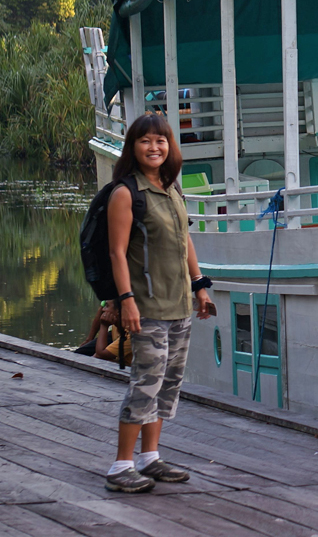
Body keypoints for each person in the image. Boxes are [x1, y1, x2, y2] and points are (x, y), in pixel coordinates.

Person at [104, 113, 213, 493]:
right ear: (133, 147)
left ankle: (150, 458)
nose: (154, 147)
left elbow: (185, 242)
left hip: (180, 304)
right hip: (147, 306)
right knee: (144, 384)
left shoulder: (171, 189)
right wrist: (126, 300)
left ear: (170, 147)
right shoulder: (126, 193)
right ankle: (121, 465)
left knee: (168, 384)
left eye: (161, 141)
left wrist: (200, 285)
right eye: (146, 141)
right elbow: (118, 253)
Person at [76, 300, 132, 365]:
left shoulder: (130, 334)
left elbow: (100, 355)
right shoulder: (115, 327)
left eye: (107, 306)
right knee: (82, 353)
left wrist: (104, 326)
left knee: (98, 359)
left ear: (118, 311)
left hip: (134, 371)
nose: (103, 309)